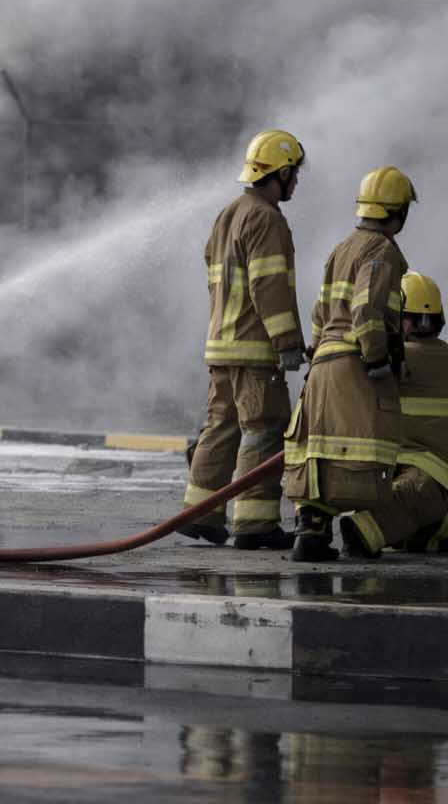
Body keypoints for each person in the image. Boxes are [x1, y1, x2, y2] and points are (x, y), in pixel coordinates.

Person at [178, 129, 306, 550]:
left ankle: (201, 513)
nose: (297, 183)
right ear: (280, 174)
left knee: (221, 427)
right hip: (253, 350)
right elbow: (269, 286)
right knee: (263, 429)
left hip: (220, 345)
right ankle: (255, 524)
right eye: (294, 174)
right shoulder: (266, 218)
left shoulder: (228, 213)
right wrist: (287, 341)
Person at [282, 166, 414, 562]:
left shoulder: (341, 248)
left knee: (321, 452)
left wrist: (320, 352)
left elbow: (320, 312)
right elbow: (366, 309)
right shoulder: (381, 250)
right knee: (362, 452)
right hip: (354, 362)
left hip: (324, 363)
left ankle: (312, 532)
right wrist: (377, 358)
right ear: (399, 212)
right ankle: (363, 530)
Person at [339, 272, 448, 557]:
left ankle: (365, 530)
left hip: (402, 471)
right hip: (430, 479)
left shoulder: (384, 360)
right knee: (417, 501)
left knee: (407, 499)